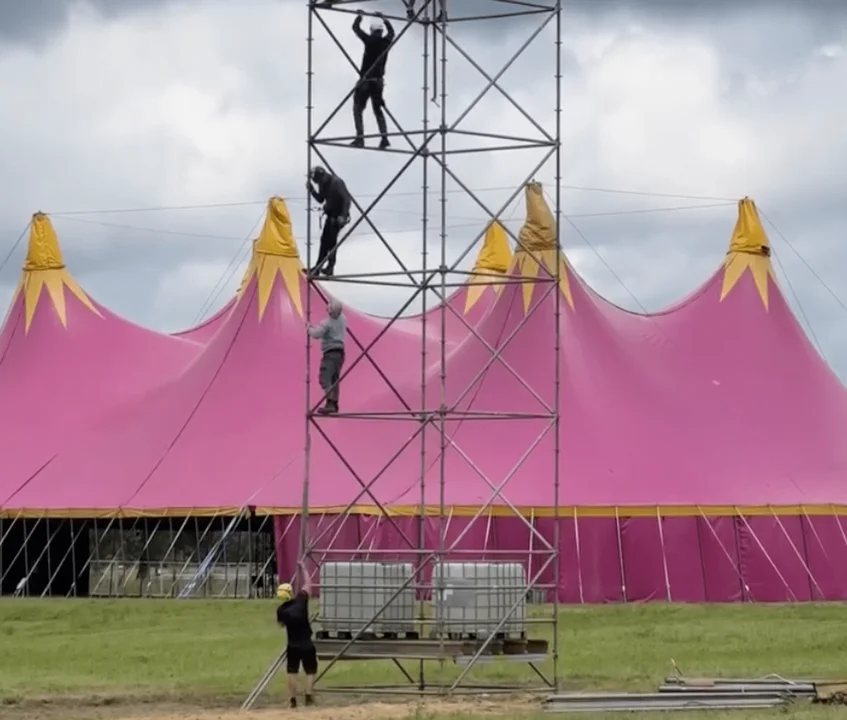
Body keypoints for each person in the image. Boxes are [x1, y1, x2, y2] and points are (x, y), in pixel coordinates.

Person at [351, 11, 395, 149]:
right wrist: (385, 18)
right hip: (378, 82)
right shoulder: (385, 42)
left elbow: (356, 28)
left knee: (358, 108)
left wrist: (359, 16)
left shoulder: (370, 41)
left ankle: (360, 137)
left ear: (372, 31)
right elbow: (392, 33)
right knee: (378, 110)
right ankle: (384, 138)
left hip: (366, 80)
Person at [276, 569, 316, 709]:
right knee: (310, 670)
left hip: (292, 645)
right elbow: (308, 585)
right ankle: (308, 695)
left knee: (292, 671)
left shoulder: (281, 611)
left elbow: (281, 624)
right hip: (306, 643)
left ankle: (293, 700)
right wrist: (304, 568)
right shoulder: (301, 601)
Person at [306, 166, 351, 277]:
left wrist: (343, 216)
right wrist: (312, 190)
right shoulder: (323, 184)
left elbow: (346, 199)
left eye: (317, 180)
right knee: (324, 240)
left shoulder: (336, 182)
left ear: (322, 176)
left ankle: (329, 267)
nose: (318, 183)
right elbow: (321, 199)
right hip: (330, 215)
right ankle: (319, 267)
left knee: (331, 241)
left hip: (338, 216)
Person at [307, 298, 346, 415]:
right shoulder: (343, 319)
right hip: (340, 353)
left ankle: (330, 402)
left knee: (324, 378)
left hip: (330, 353)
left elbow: (316, 334)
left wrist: (308, 327)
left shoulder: (327, 323)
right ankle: (334, 404)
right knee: (334, 379)